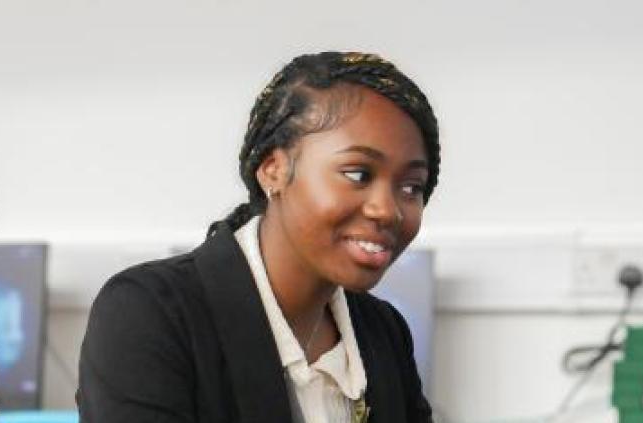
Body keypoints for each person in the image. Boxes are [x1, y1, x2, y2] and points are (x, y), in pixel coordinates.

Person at [78, 52, 440, 423]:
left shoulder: (382, 333)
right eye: (358, 174)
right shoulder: (150, 314)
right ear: (273, 170)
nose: (388, 210)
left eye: (412, 187)